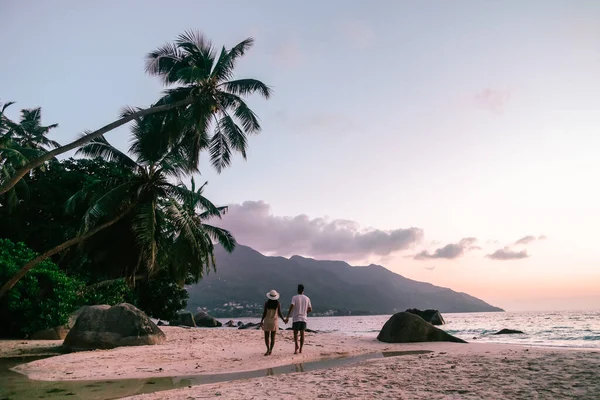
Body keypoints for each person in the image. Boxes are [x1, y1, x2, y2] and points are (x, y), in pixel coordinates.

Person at [285, 284, 312, 354]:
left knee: (295, 333)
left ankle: (296, 346)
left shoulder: (294, 297)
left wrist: (287, 317)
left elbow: (291, 307)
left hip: (296, 318)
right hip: (304, 318)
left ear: (298, 290)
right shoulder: (307, 298)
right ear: (303, 290)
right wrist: (305, 313)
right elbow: (310, 309)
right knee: (302, 333)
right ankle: (301, 349)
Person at [260, 289, 285, 356]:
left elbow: (264, 313)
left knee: (266, 337)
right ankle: (271, 350)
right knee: (273, 337)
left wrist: (261, 321)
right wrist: (283, 319)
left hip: (267, 321)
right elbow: (279, 313)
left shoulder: (266, 303)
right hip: (274, 322)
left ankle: (267, 349)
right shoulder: (277, 304)